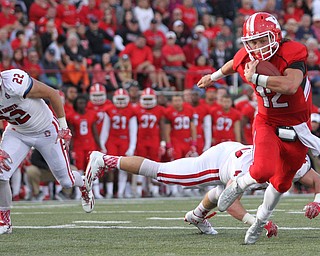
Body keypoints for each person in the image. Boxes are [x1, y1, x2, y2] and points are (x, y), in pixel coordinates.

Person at [197, 12, 316, 244]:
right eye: (252, 42)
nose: (258, 47)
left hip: (297, 126)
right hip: (267, 121)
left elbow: (291, 86)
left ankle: (260, 222)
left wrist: (258, 78)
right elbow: (233, 64)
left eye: (263, 40)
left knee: (282, 183)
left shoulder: (293, 51)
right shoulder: (247, 57)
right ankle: (239, 184)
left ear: (276, 36)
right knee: (262, 170)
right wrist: (213, 76)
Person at [83, 141, 320, 235]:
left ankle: (196, 216)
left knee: (217, 193)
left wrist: (317, 201)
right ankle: (105, 160)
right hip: (220, 163)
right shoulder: (248, 168)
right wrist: (258, 223)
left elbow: (316, 180)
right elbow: (230, 203)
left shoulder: (294, 163)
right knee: (162, 172)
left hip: (231, 154)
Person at [0, 68, 93, 235]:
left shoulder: (15, 82)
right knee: (1, 173)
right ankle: (4, 220)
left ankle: (83, 182)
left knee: (66, 181)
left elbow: (53, 94)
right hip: (17, 132)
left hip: (46, 131)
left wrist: (64, 128)